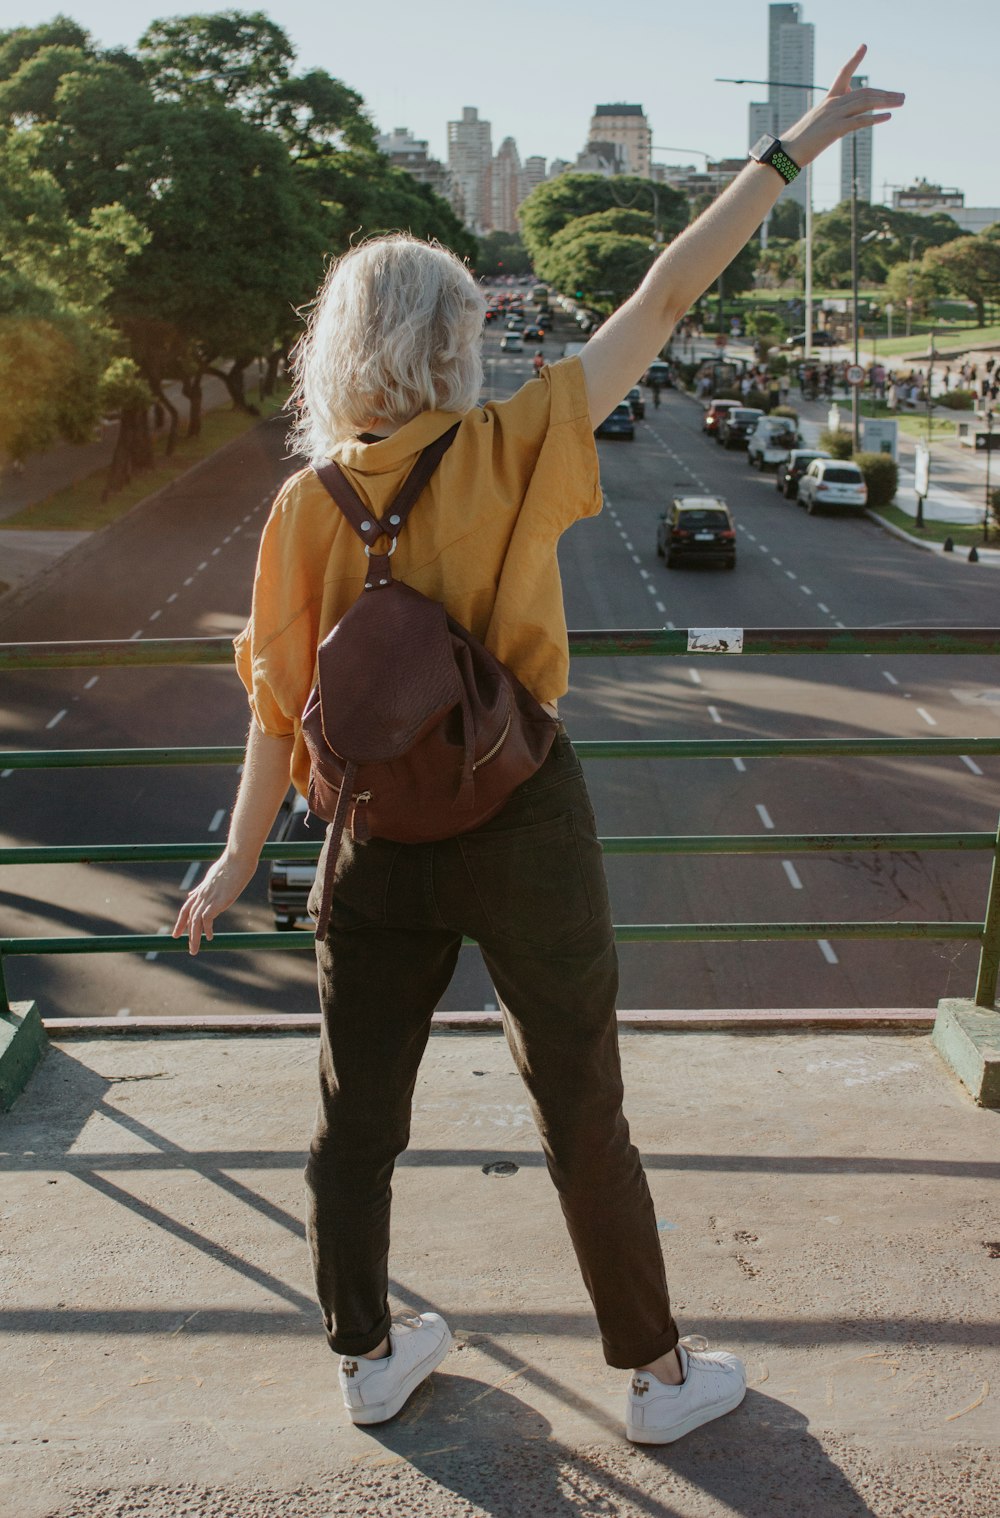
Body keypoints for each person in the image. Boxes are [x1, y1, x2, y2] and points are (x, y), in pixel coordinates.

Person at [173, 48, 902, 1445]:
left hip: (372, 839)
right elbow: (667, 294)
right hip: (520, 818)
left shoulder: (301, 511)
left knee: (353, 1116)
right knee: (580, 1098)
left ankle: (369, 1352)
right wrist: (795, 145)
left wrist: (230, 863)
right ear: (455, 341)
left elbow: (276, 708)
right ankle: (653, 1374)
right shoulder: (514, 440)